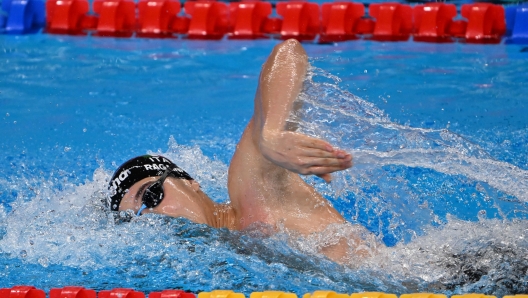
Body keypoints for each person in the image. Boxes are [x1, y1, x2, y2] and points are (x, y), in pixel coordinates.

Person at [108, 39, 370, 262]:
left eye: (152, 195)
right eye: (133, 220)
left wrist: (270, 135)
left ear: (190, 183)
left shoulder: (253, 196)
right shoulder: (220, 257)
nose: (149, 217)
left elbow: (289, 52)